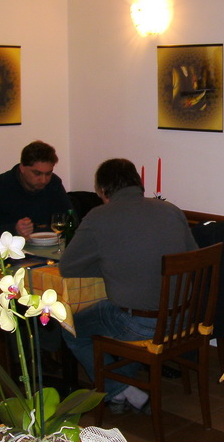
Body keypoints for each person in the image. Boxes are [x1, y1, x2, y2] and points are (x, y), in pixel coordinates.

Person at [59, 158, 197, 414]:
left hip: (143, 324)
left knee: (70, 328)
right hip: (184, 318)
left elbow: (68, 267)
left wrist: (108, 267)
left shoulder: (99, 217)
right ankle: (123, 389)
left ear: (103, 190)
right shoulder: (171, 210)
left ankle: (118, 389)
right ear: (138, 183)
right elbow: (193, 256)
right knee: (122, 309)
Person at [0, 140, 72, 241]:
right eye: (37, 173)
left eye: (48, 173)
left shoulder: (53, 183)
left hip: (50, 246)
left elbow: (70, 220)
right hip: (11, 248)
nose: (43, 180)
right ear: (22, 168)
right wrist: (14, 229)